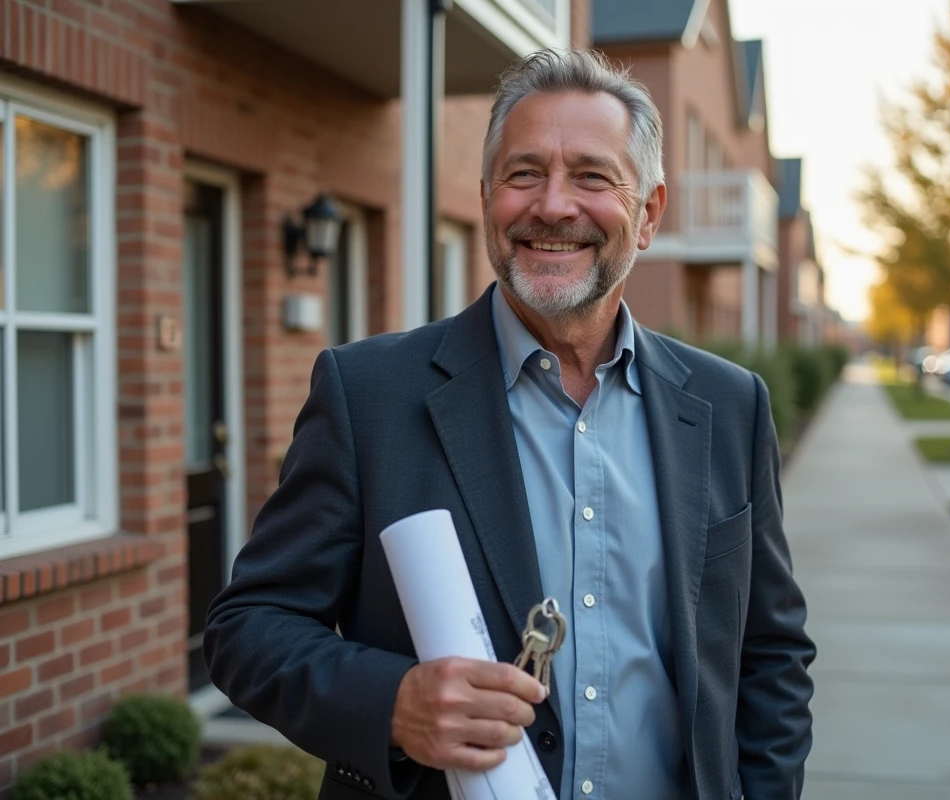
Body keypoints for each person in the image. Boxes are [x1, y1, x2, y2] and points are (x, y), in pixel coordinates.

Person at [205, 48, 815, 800]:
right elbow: (249, 627)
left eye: (592, 176)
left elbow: (769, 654)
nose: (553, 206)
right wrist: (392, 703)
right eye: (525, 173)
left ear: (649, 214)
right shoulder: (369, 395)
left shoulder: (730, 405)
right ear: (489, 193)